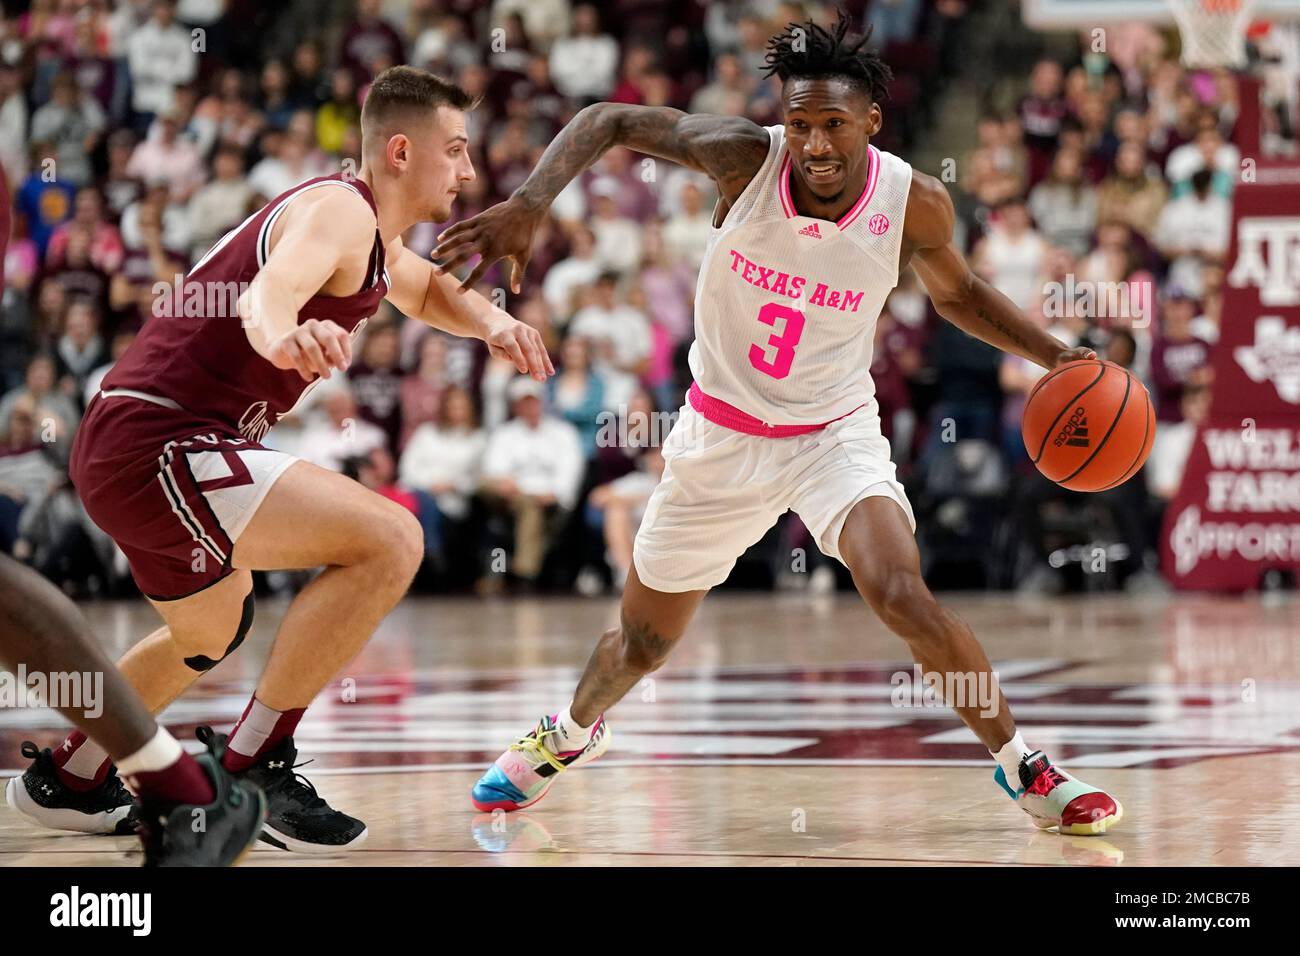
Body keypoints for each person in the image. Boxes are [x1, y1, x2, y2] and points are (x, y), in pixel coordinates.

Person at [436, 13, 1121, 836]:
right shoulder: (741, 156)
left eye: (834, 124)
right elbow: (608, 119)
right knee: (642, 644)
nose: (815, 143)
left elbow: (960, 296)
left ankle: (1025, 766)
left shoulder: (915, 203)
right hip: (717, 438)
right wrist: (529, 202)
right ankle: (570, 733)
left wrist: (1056, 357)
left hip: (833, 433)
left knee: (902, 592)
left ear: (872, 120)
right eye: (799, 124)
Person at [14, 66, 552, 853]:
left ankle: (73, 773)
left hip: (144, 443)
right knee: (392, 540)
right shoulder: (337, 213)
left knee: (208, 633)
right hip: (159, 439)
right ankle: (255, 762)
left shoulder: (370, 235)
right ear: (401, 151)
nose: (469, 172)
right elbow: (265, 295)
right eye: (458, 151)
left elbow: (430, 291)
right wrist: (284, 334)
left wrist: (493, 325)